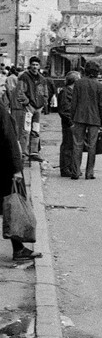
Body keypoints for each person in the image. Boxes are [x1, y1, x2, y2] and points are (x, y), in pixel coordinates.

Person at [0, 104, 39, 262]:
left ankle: (18, 248)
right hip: (5, 167)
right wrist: (17, 168)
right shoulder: (0, 110)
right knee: (13, 205)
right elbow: (9, 139)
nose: (3, 91)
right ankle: (18, 249)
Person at [70, 61, 102, 181]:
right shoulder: (101, 86)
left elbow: (74, 102)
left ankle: (76, 172)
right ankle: (89, 173)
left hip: (79, 117)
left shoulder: (78, 83)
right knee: (92, 146)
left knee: (77, 144)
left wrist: (72, 117)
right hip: (94, 119)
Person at [17, 56, 48, 161]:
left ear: (39, 66)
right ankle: (24, 153)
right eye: (33, 64)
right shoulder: (24, 77)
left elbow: (45, 93)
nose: (35, 67)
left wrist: (43, 103)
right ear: (30, 65)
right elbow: (20, 92)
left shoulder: (42, 79)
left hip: (38, 109)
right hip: (29, 107)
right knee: (26, 130)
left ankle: (34, 152)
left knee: (36, 130)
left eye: (37, 65)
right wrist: (27, 103)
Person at [58, 71, 81, 178]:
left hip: (72, 122)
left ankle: (70, 167)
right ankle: (65, 168)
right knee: (68, 146)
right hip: (68, 123)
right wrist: (71, 123)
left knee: (72, 146)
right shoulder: (65, 92)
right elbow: (64, 110)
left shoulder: (71, 91)